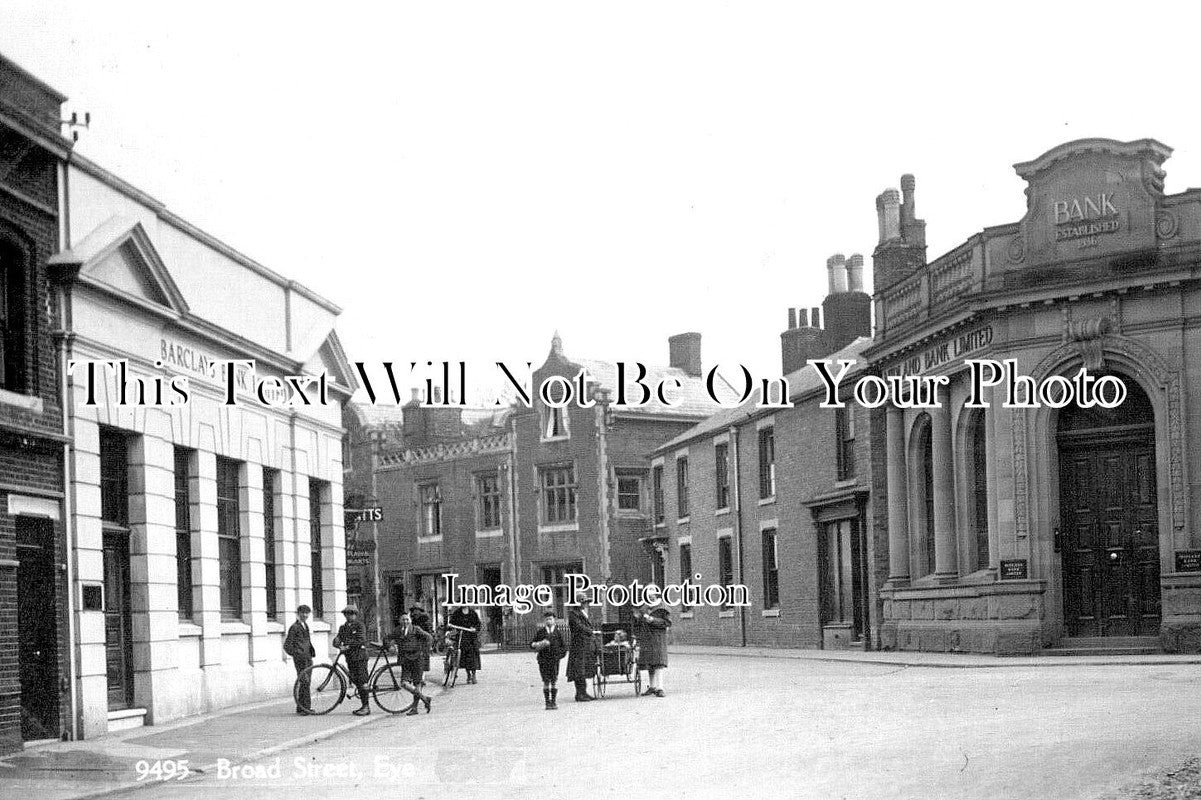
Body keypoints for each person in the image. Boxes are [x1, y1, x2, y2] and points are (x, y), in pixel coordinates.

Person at [386, 614, 434, 715]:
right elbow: (386, 638)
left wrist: (425, 650)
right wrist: (390, 646)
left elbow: (429, 637)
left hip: (417, 659)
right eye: (403, 619)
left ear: (410, 620)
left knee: (417, 683)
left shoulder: (416, 629)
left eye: (407, 619)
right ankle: (425, 698)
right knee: (404, 683)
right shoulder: (397, 630)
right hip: (405, 659)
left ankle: (415, 708)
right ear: (400, 621)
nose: (405, 621)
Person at [333, 606, 372, 715]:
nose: (349, 616)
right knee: (356, 680)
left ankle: (366, 707)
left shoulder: (360, 625)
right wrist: (336, 643)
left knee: (362, 681)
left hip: (360, 657)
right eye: (347, 614)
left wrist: (348, 646)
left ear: (355, 615)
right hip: (350, 658)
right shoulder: (343, 627)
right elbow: (338, 639)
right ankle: (363, 705)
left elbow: (361, 640)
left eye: (351, 614)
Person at [529, 611, 567, 710]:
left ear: (554, 620)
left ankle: (553, 702)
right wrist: (538, 644)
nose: (548, 621)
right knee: (546, 681)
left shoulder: (558, 632)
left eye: (550, 619)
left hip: (554, 660)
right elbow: (532, 644)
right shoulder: (541, 632)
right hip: (543, 660)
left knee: (554, 680)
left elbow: (564, 647)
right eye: (546, 619)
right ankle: (547, 702)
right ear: (544, 621)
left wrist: (559, 656)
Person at [284, 605, 316, 714]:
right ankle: (305, 708)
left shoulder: (305, 625)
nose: (305, 615)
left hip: (308, 658)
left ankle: (301, 707)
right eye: (303, 613)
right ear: (298, 613)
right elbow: (287, 645)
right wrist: (296, 654)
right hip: (300, 659)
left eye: (307, 613)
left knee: (306, 683)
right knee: (304, 681)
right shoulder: (294, 627)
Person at [565, 592, 597, 702]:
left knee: (582, 669)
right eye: (584, 602)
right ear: (579, 603)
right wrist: (590, 631)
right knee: (579, 670)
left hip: (584, 645)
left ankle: (583, 693)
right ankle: (579, 694)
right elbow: (579, 627)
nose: (586, 604)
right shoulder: (573, 614)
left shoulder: (581, 613)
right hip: (578, 645)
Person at [635, 602, 671, 697]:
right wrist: (638, 618)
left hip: (658, 639)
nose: (650, 597)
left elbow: (667, 623)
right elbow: (638, 624)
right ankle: (652, 687)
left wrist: (653, 620)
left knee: (658, 663)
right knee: (649, 663)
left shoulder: (663, 607)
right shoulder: (644, 608)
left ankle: (660, 688)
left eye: (653, 595)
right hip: (647, 639)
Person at [448, 603, 483, 684]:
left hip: (471, 637)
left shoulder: (472, 613)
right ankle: (468, 675)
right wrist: (452, 627)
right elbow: (451, 623)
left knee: (473, 655)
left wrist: (475, 628)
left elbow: (478, 624)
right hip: (462, 636)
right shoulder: (457, 613)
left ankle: (474, 675)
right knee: (464, 656)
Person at [409, 605, 433, 676]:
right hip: (418, 640)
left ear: (419, 610)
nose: (415, 612)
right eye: (414, 610)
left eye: (416, 610)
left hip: (424, 640)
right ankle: (419, 676)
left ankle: (422, 677)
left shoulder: (424, 618)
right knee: (419, 658)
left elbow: (428, 631)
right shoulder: (413, 619)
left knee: (423, 658)